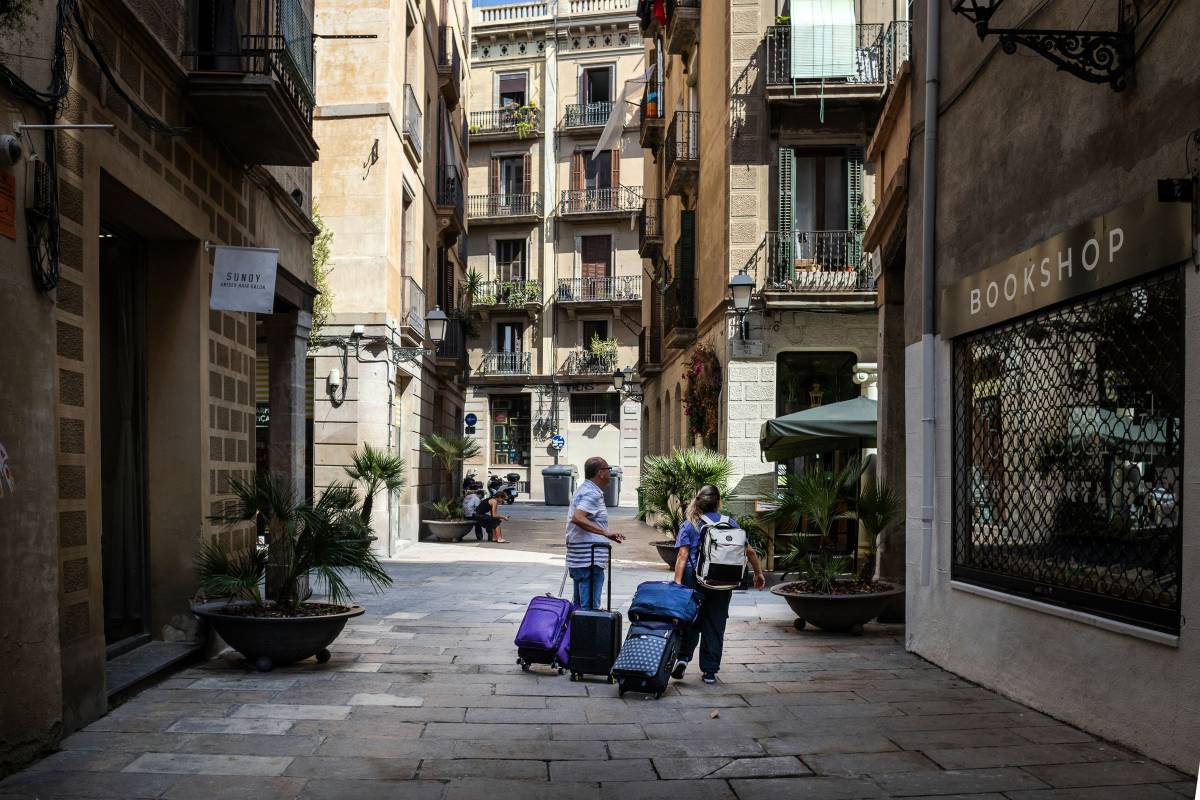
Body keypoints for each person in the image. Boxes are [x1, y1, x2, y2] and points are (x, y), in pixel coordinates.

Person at [671, 484, 765, 684]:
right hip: (722, 581)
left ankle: (683, 658)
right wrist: (758, 573)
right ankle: (710, 672)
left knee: (691, 620)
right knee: (715, 624)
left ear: (698, 501)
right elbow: (749, 551)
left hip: (694, 580)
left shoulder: (690, 524)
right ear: (718, 502)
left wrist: (677, 584)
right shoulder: (730, 522)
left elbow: (682, 555)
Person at [564, 456, 625, 610]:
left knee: (579, 608)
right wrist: (605, 533)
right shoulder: (592, 493)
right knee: (589, 609)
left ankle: (576, 634)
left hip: (580, 557)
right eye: (608, 469)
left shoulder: (583, 489)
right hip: (589, 559)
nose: (610, 473)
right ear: (600, 473)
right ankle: (585, 634)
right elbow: (577, 517)